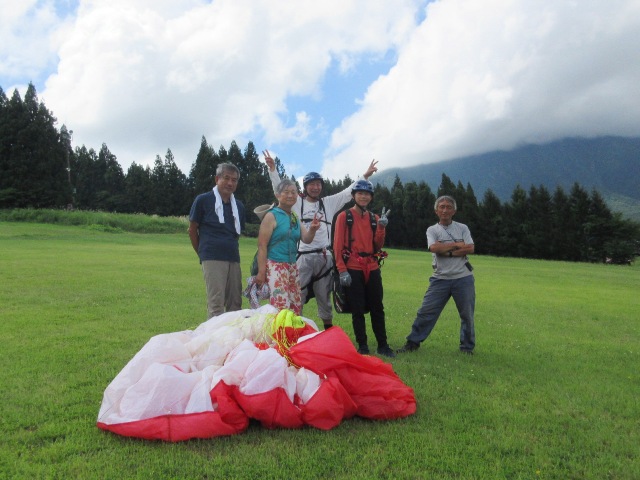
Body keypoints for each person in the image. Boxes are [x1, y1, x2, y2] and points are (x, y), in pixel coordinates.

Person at [263, 150, 378, 330]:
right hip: (303, 258)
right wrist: (273, 169)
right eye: (311, 184)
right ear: (305, 187)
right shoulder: (297, 203)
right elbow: (280, 189)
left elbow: (348, 192)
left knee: (324, 297)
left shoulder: (328, 203)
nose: (315, 187)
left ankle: (328, 332)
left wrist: (365, 176)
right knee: (297, 295)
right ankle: (293, 330)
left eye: (318, 184)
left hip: (325, 258)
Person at [397, 195, 476, 354]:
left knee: (467, 315)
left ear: (454, 211)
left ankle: (467, 348)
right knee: (426, 311)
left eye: (448, 207)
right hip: (440, 279)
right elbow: (433, 248)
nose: (445, 210)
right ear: (436, 210)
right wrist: (457, 245)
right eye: (442, 207)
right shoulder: (432, 230)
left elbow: (470, 248)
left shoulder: (463, 228)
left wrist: (446, 249)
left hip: (463, 278)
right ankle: (412, 343)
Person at [333, 180, 395, 358]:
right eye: (360, 193)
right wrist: (342, 270)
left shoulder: (374, 218)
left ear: (371, 197)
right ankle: (363, 346)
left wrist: (381, 227)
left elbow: (377, 245)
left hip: (372, 266)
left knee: (377, 307)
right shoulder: (344, 216)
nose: (363, 196)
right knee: (357, 309)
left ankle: (383, 345)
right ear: (354, 196)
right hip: (352, 267)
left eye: (367, 194)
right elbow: (337, 245)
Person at [189, 163, 246, 319]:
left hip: (233, 258)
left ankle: (233, 341)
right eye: (226, 178)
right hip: (212, 257)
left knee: (235, 303)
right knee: (216, 305)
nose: (230, 183)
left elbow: (236, 233)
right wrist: (203, 253)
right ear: (217, 179)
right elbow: (192, 229)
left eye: (234, 180)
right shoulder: (203, 200)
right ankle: (214, 341)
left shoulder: (239, 206)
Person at [256, 179, 320, 315]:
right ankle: (279, 335)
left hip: (292, 267)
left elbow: (306, 239)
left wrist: (313, 229)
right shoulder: (271, 216)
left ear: (297, 195)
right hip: (275, 266)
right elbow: (262, 246)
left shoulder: (295, 217)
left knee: (295, 304)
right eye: (286, 192)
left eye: (293, 192)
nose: (290, 195)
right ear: (277, 195)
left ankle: (292, 334)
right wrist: (262, 272)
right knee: (280, 306)